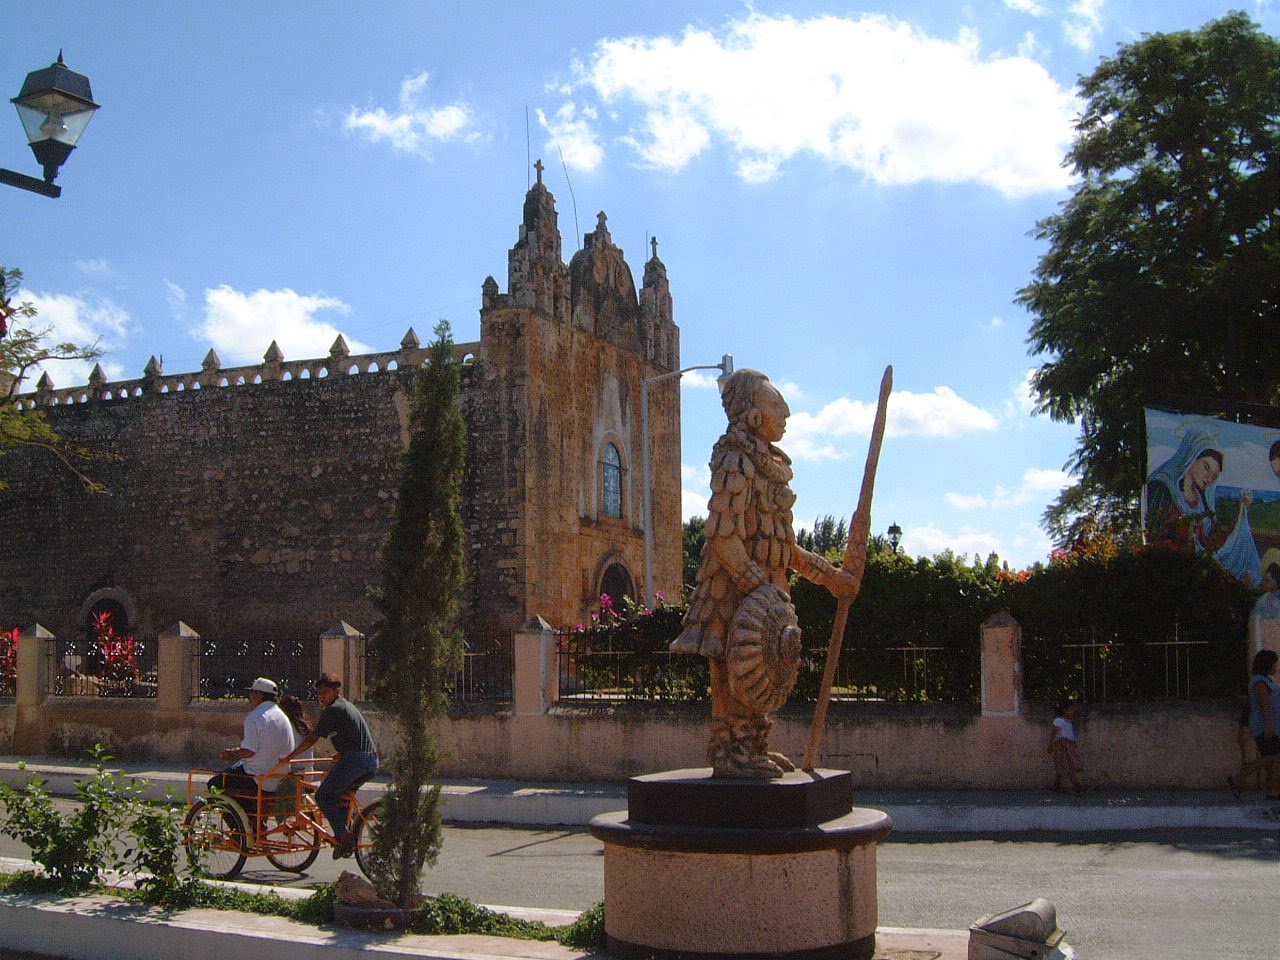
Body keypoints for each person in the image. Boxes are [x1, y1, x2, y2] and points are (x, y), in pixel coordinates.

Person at [672, 368, 859, 778]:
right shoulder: (736, 461)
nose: (786, 411)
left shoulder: (768, 468)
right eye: (775, 404)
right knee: (735, 670)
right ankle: (732, 752)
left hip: (763, 593)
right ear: (753, 416)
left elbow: (783, 548)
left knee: (760, 671)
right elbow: (724, 538)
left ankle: (752, 746)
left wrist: (830, 577)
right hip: (732, 591)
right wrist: (754, 584)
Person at [279, 673, 378, 858]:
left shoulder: (334, 710)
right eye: (319, 693)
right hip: (369, 761)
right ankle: (344, 838)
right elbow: (353, 735)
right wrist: (342, 753)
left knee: (323, 796)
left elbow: (312, 738)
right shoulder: (347, 707)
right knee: (340, 795)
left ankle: (343, 836)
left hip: (355, 761)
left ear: (336, 691)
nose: (321, 696)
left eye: (325, 692)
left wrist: (289, 757)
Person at [1144, 427, 1259, 584]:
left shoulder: (1203, 503)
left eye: (1214, 476)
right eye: (1206, 467)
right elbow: (1153, 536)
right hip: (1167, 575)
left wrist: (1241, 511)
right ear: (1192, 456)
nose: (1208, 478)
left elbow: (1214, 542)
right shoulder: (1162, 489)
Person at [207, 677, 298, 813]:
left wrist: (231, 753)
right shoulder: (282, 716)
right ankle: (250, 819)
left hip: (258, 778)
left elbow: (249, 752)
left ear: (259, 695)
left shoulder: (255, 717)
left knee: (215, 784)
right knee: (236, 771)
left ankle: (238, 829)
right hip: (280, 777)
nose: (250, 697)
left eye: (252, 693)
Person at [1228, 649, 1280, 802]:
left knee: (1273, 760)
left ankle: (1273, 791)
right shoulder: (1260, 682)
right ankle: (1240, 778)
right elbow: (1264, 706)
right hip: (1265, 727)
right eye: (1274, 663)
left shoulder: (1267, 681)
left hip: (1272, 726)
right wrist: (1269, 726)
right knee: (1273, 757)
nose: (1276, 667)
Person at [1047, 699, 1084, 794]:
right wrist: (1050, 744)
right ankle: (1076, 786)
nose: (1073, 711)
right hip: (1062, 745)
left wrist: (1073, 743)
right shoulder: (1059, 720)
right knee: (1066, 765)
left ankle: (1058, 785)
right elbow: (1054, 732)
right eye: (1071, 709)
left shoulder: (1068, 721)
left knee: (1066, 766)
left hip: (1068, 746)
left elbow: (1069, 734)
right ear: (1064, 710)